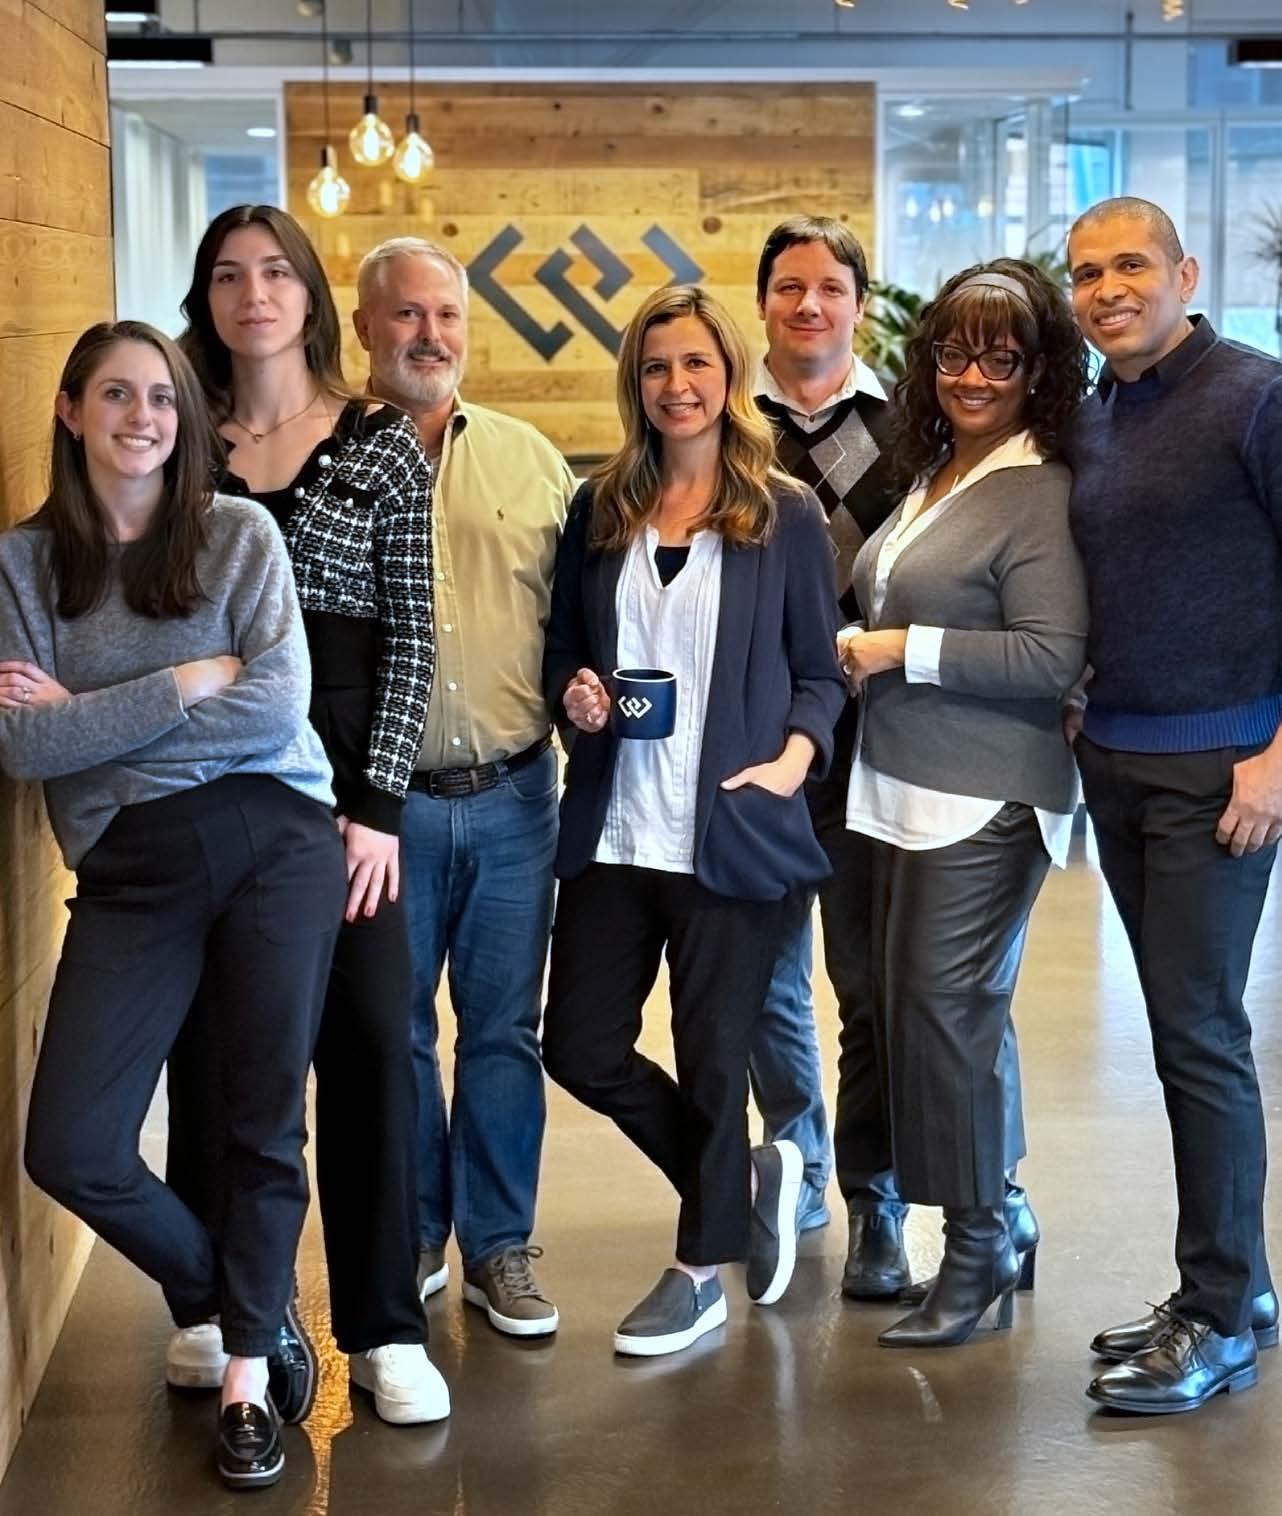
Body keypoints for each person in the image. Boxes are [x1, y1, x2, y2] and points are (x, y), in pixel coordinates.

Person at [0, 320, 346, 1489]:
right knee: (72, 1143)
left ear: (186, 419)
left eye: (161, 397)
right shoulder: (24, 567)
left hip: (272, 840)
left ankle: (246, 1380)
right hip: (129, 866)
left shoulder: (238, 535)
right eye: (115, 394)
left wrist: (90, 717)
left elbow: (276, 708)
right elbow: (21, 743)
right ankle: (238, 1301)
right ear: (71, 411)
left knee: (261, 1116)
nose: (141, 416)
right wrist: (187, 678)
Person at [167, 205, 449, 1426]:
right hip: (210, 776)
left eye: (276, 271)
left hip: (345, 784)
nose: (254, 294)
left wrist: (378, 806)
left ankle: (382, 1325)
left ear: (310, 297)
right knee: (217, 1053)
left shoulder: (381, 442)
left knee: (372, 1043)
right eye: (229, 275)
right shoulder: (178, 436)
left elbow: (412, 638)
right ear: (206, 299)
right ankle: (222, 1308)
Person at [540, 284, 846, 1358]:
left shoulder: (781, 513)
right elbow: (565, 650)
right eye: (658, 366)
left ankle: (699, 1274)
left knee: (715, 1057)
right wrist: (577, 694)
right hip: (617, 829)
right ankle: (748, 1180)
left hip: (729, 827)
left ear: (729, 376)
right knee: (579, 1044)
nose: (678, 385)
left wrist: (793, 761)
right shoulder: (600, 506)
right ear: (637, 381)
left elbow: (820, 671)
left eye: (697, 364)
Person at [839, 259, 1089, 1348]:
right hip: (904, 783)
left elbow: (1048, 656)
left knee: (943, 1016)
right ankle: (1006, 1217)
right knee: (933, 1018)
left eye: (1000, 357)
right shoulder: (941, 469)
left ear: (1039, 371)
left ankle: (977, 1244)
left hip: (985, 797)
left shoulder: (1037, 490)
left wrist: (901, 647)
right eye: (953, 351)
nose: (972, 375)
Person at [1064, 197, 1282, 1414]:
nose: (1106, 289)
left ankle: (1215, 1316)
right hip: (1117, 762)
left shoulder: (1255, 396)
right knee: (1176, 1028)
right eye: (1085, 273)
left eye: (1129, 265)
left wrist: (1277, 756)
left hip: (1223, 772)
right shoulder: (1096, 413)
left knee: (1198, 1032)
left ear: (1184, 274)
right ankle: (1238, 1282)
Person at [352, 236, 574, 1337]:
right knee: (390, 1033)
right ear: (364, 328)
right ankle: (408, 1236)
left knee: (501, 1031)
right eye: (406, 314)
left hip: (515, 798)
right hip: (380, 815)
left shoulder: (533, 462)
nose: (429, 334)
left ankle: (497, 1246)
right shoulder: (329, 465)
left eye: (446, 314)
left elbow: (579, 622)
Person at [747, 214, 899, 1266]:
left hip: (875, 745)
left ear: (858, 303)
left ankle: (875, 1196)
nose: (809, 305)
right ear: (762, 300)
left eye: (831, 288)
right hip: (754, 747)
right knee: (765, 981)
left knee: (865, 983)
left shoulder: (912, 426)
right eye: (790, 287)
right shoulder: (721, 423)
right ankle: (795, 1162)